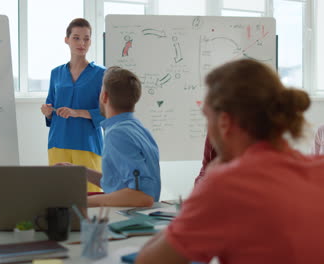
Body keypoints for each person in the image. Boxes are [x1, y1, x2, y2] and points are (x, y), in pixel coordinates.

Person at [136, 59, 324, 263]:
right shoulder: (318, 168)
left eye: (207, 117)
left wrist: (209, 181)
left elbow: (148, 261)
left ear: (224, 122)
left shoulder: (228, 184)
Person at [63, 66, 160, 207]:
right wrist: (80, 172)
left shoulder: (118, 134)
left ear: (105, 96)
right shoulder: (137, 128)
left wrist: (81, 202)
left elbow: (142, 196)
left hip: (128, 221)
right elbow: (119, 184)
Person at [41, 18, 106, 192]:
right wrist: (47, 111)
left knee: (90, 195)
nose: (81, 43)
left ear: (91, 41)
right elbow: (50, 107)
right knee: (59, 194)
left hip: (87, 143)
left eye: (86, 38)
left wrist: (77, 113)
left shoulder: (102, 74)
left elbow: (106, 112)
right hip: (58, 141)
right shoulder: (56, 73)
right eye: (76, 37)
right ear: (67, 39)